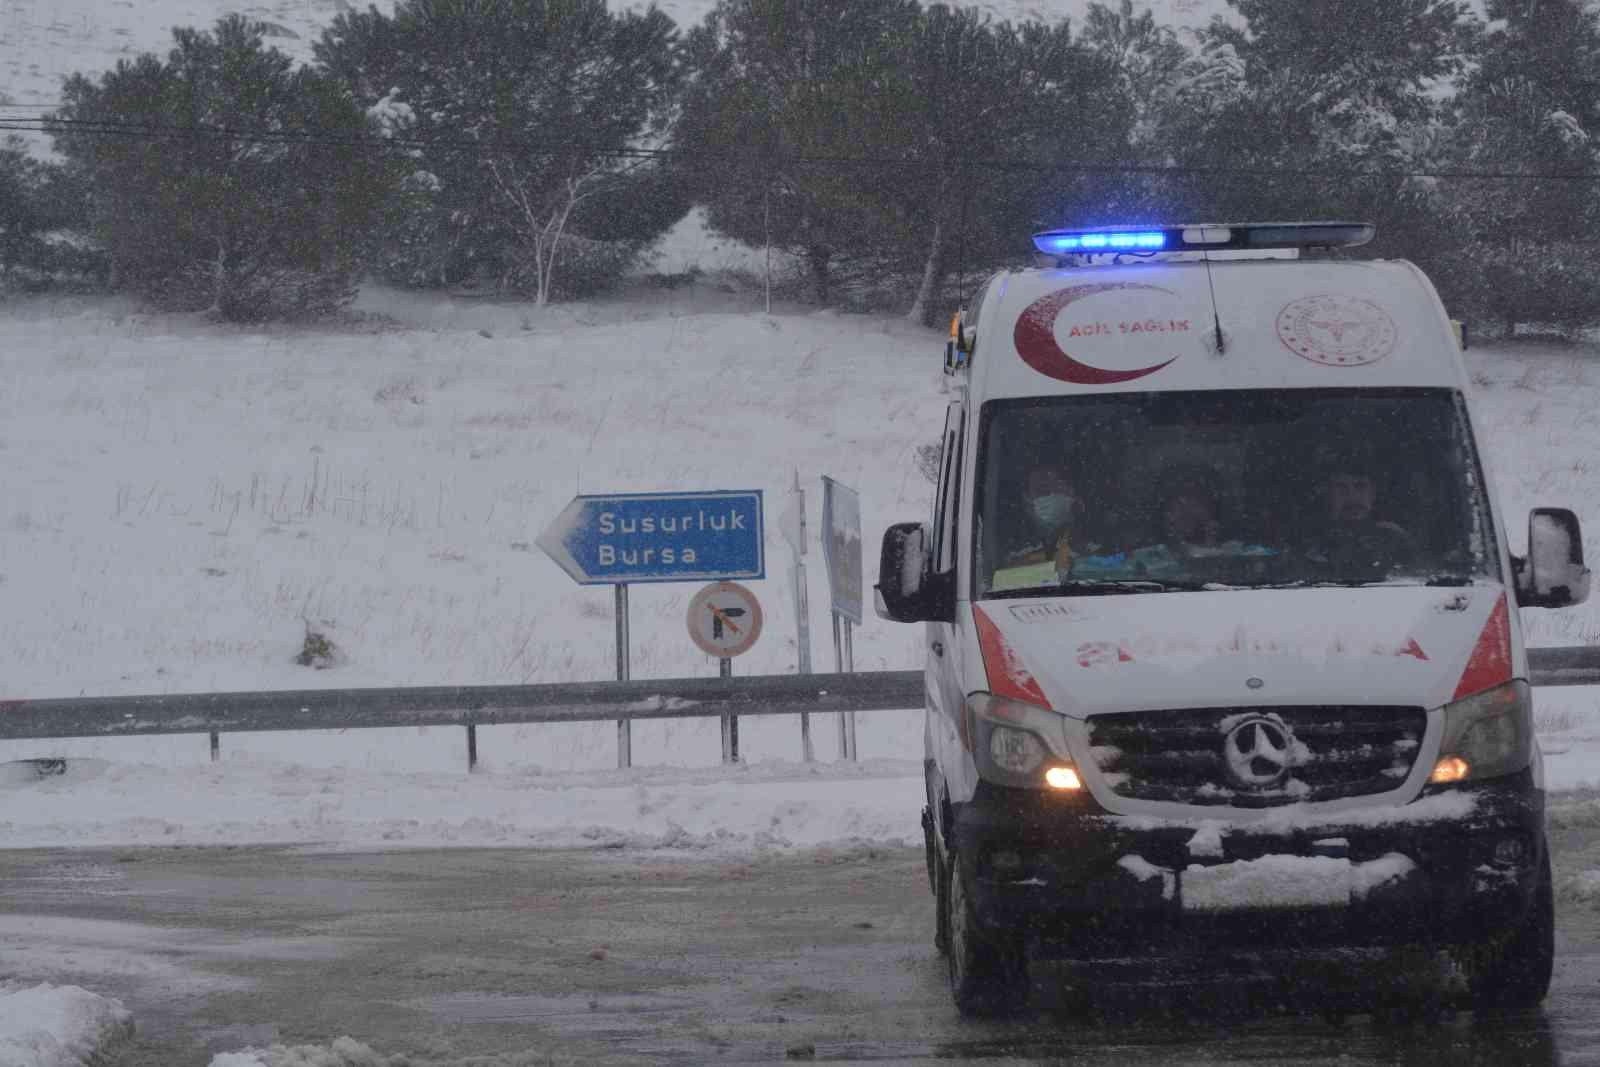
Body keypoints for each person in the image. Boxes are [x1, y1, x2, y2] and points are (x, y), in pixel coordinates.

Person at [1300, 448, 1415, 575]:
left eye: (1360, 486)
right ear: (1327, 493)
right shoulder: (1306, 541)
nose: (1352, 497)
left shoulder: (1394, 540)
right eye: (1341, 488)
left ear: (1373, 492)